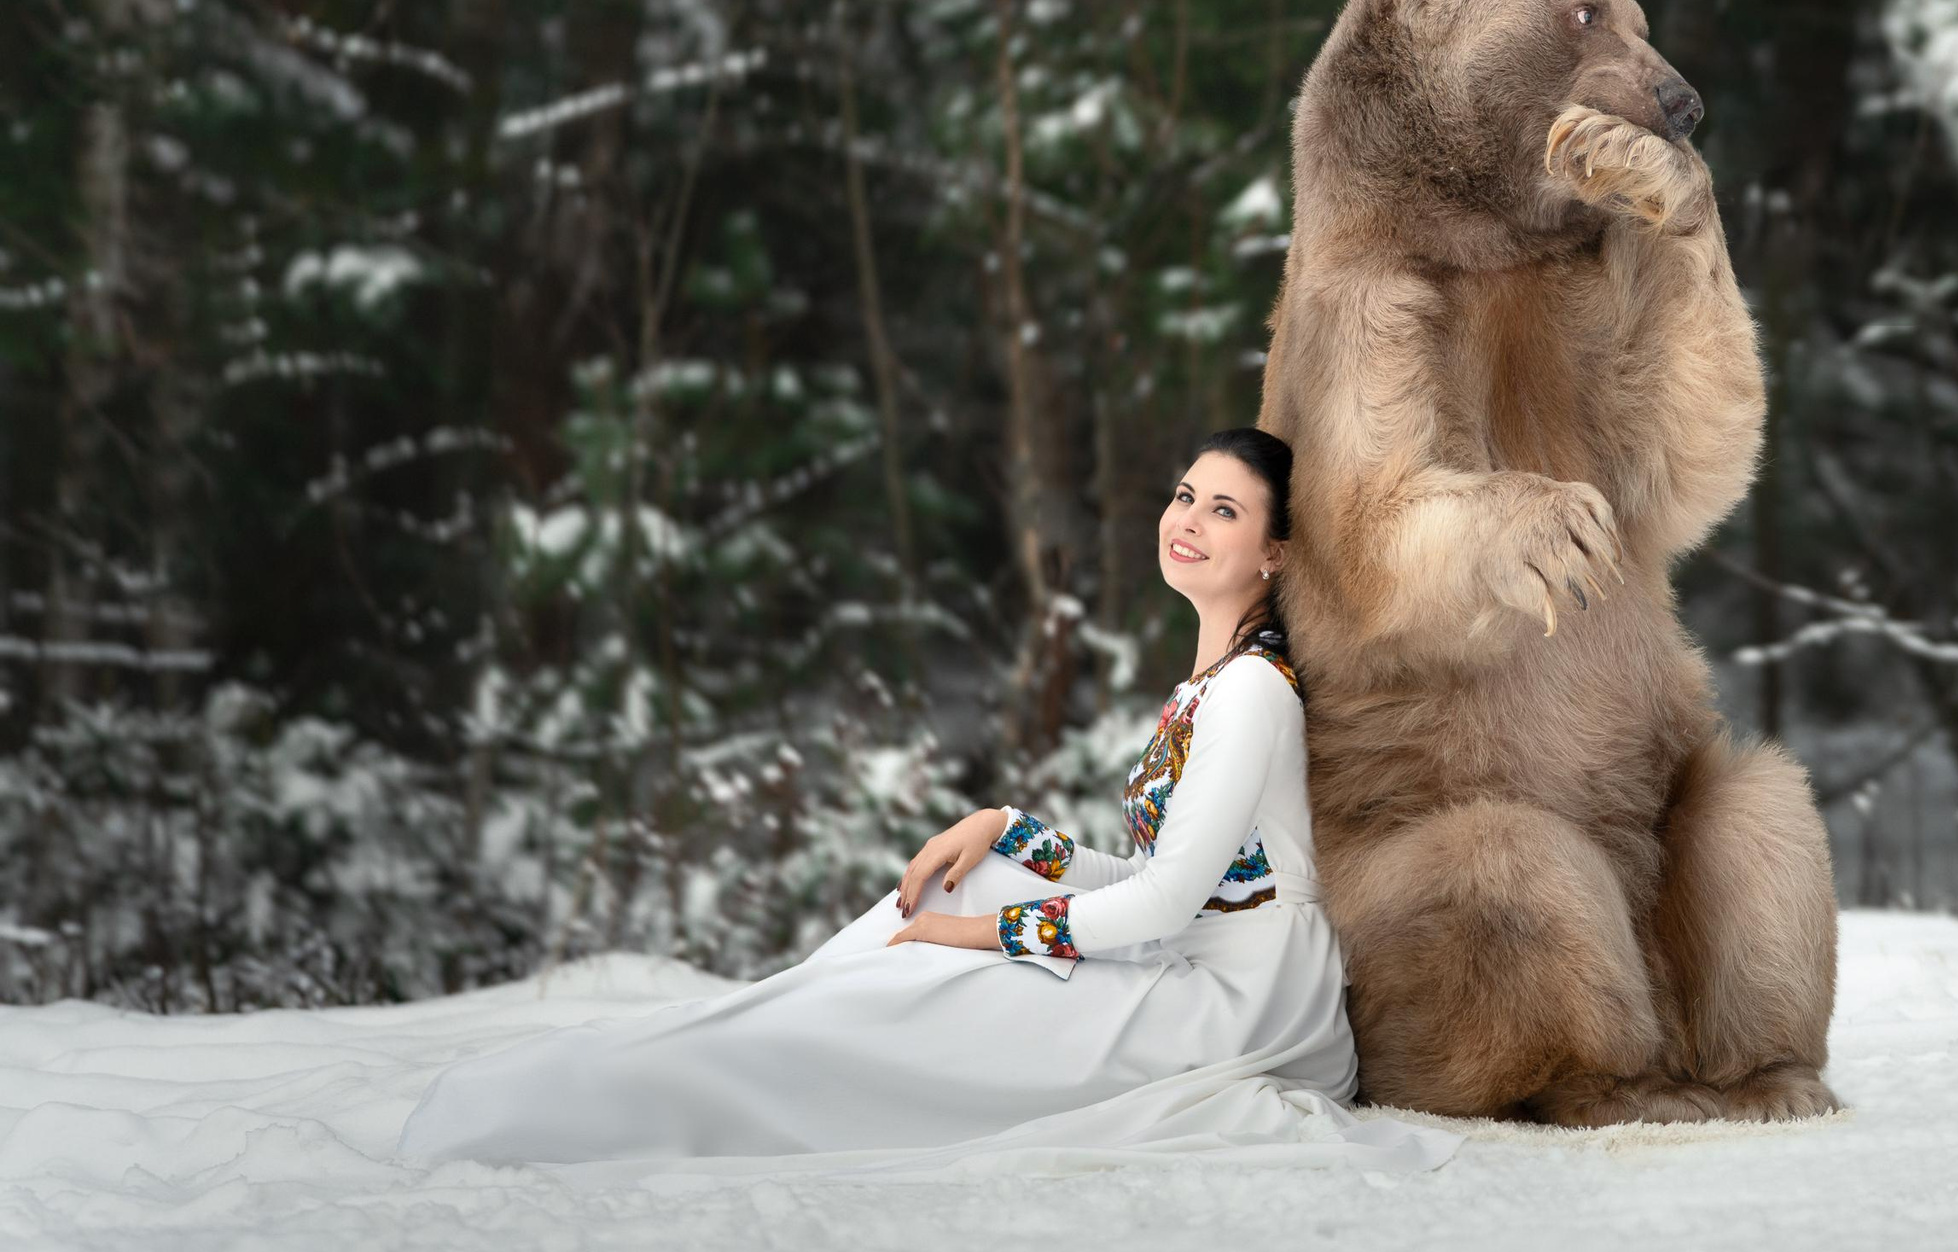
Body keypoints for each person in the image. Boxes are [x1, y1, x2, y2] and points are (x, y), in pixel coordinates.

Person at [394, 429, 1457, 1176]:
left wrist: (987, 934)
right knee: (968, 880)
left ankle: (720, 1072)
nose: (1186, 518)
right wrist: (1010, 831)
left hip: (1243, 1006)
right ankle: (734, 1042)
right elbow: (1149, 880)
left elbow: (1175, 902)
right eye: (1183, 494)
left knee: (943, 963)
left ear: (1273, 553)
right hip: (1193, 958)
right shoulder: (1206, 688)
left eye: (1222, 509)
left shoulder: (1254, 696)